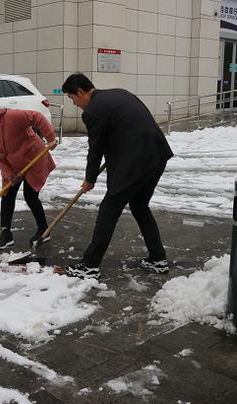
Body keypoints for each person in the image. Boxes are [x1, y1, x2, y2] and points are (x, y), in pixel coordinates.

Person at [60, 73, 174, 279]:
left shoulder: (93, 111)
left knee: (109, 209)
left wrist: (90, 179)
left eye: (71, 98)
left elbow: (95, 149)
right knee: (140, 206)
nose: (74, 104)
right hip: (157, 154)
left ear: (80, 91)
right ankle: (158, 259)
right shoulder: (119, 93)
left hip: (135, 161)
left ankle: (89, 265)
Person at [0, 100, 58, 249]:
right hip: (13, 164)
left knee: (30, 195)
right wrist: (9, 174)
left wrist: (50, 138)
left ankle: (44, 229)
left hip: (32, 157)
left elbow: (37, 117)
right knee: (7, 194)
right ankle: (6, 233)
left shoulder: (10, 117)